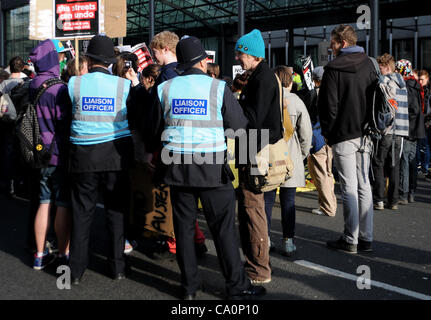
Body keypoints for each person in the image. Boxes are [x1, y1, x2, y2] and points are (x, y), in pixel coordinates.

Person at [145, 35, 266, 300]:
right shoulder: (217, 88)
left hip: (176, 167)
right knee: (223, 230)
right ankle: (236, 286)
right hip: (210, 167)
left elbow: (153, 130)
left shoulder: (164, 89)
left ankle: (189, 289)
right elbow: (238, 128)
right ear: (203, 61)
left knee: (184, 231)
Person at [130, 31, 208, 258]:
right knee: (183, 200)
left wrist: (150, 150)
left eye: (154, 51)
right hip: (191, 144)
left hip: (167, 143)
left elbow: (158, 117)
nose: (153, 56)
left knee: (171, 198)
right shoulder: (183, 73)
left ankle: (173, 241)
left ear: (165, 49)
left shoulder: (166, 76)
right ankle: (197, 239)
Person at [67, 35, 134, 284]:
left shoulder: (73, 84)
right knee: (116, 213)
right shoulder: (122, 86)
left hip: (82, 156)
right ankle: (117, 267)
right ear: (109, 61)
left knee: (81, 213)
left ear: (89, 58)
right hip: (115, 156)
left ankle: (75, 271)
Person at [318, 24, 376, 253]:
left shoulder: (333, 68)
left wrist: (328, 134)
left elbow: (328, 106)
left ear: (342, 43)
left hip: (343, 134)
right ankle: (366, 237)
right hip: (367, 133)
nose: (330, 47)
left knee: (349, 186)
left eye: (332, 43)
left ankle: (350, 238)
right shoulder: (370, 64)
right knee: (364, 184)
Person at [235, 29, 282, 283]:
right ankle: (256, 263)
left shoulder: (262, 79)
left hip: (256, 152)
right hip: (254, 149)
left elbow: (255, 119)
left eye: (240, 53)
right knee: (251, 209)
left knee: (253, 210)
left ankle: (259, 269)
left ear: (252, 55)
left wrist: (235, 106)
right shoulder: (262, 76)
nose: (237, 58)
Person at [29, 39, 72, 269]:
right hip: (57, 153)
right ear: (53, 60)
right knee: (63, 203)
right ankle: (63, 253)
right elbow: (64, 123)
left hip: (38, 152)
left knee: (44, 202)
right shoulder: (59, 88)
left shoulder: (33, 84)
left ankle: (39, 254)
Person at [264, 65, 312, 256]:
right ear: (291, 82)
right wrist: (301, 155)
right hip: (290, 159)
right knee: (288, 201)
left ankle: (265, 239)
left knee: (267, 200)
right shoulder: (297, 101)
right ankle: (288, 240)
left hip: (269, 158)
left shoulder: (267, 98)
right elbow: (306, 134)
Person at [371, 54, 409, 211]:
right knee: (394, 165)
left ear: (387, 67)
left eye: (380, 68)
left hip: (386, 129)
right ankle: (393, 201)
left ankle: (379, 199)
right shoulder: (402, 84)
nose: (379, 71)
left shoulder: (384, 81)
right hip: (400, 130)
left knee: (378, 163)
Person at [307, 66, 337, 217]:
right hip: (330, 137)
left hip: (318, 136)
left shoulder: (315, 94)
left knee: (320, 174)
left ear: (316, 80)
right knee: (328, 172)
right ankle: (329, 203)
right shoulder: (335, 92)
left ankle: (327, 207)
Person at [396, 59, 426, 204]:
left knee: (405, 161)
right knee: (412, 160)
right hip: (417, 128)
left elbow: (412, 109)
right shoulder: (416, 84)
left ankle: (404, 193)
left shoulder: (407, 85)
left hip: (409, 128)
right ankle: (411, 192)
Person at [417, 70, 430, 176]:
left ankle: (425, 167)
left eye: (422, 79)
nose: (420, 81)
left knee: (425, 146)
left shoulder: (427, 91)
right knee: (423, 145)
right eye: (419, 79)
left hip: (426, 121)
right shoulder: (419, 90)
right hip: (422, 120)